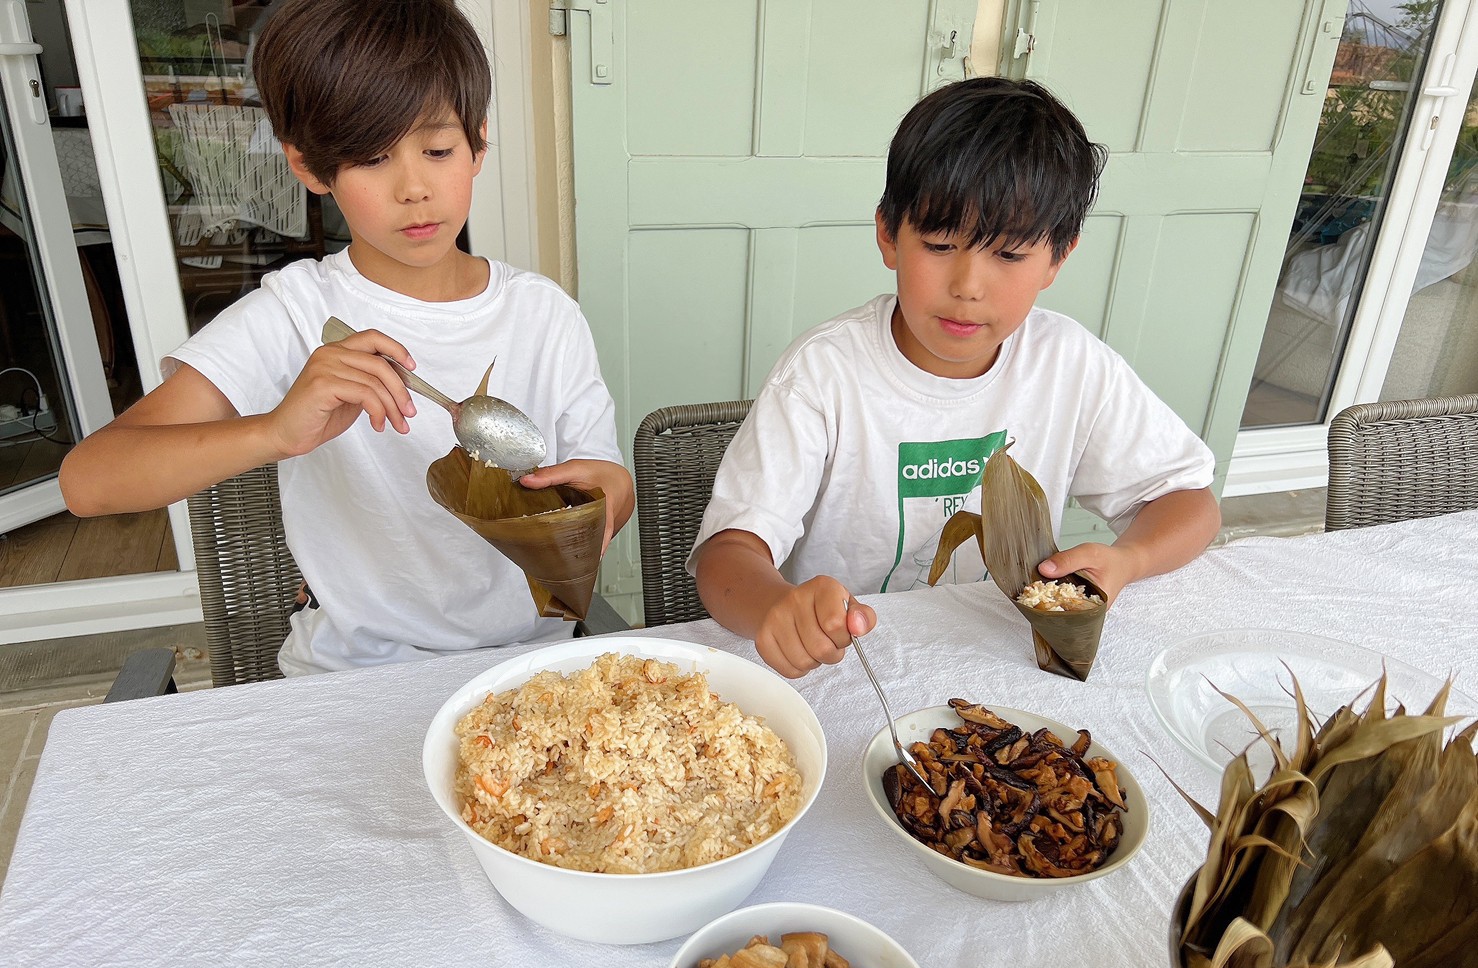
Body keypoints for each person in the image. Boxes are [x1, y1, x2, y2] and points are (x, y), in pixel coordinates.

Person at [59, 0, 634, 676]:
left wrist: (605, 497)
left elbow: (607, 482)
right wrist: (274, 432)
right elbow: (88, 482)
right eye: (371, 157)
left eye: (438, 150)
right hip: (351, 674)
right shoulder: (294, 315)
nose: (414, 188)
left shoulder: (546, 316)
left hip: (529, 670)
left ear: (478, 143)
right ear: (309, 167)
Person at [691, 77, 1220, 679]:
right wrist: (776, 607)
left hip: (1001, 664)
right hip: (846, 670)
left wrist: (1129, 559)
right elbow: (727, 554)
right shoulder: (823, 373)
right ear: (888, 235)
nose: (968, 286)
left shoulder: (1070, 364)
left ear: (1058, 257)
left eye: (1010, 255)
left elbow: (1190, 502)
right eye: (940, 244)